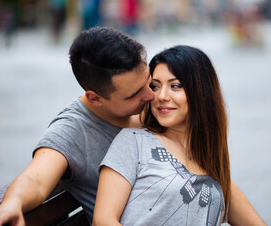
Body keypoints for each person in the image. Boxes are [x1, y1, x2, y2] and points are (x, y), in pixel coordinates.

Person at [0, 27, 265, 226]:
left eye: (148, 82)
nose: (153, 96)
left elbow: (208, 175)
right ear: (96, 98)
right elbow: (35, 179)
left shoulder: (157, 111)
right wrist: (12, 204)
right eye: (136, 94)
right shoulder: (73, 131)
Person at [93, 45, 260, 226]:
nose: (162, 96)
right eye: (155, 86)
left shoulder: (212, 167)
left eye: (176, 86)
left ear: (202, 92)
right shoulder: (133, 142)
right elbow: (103, 220)